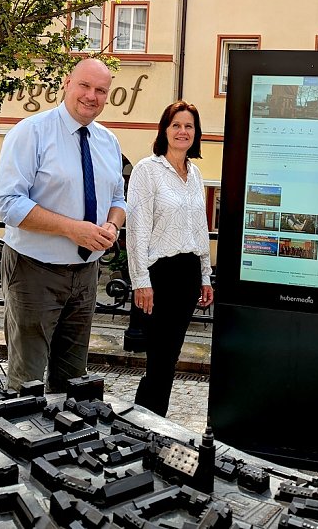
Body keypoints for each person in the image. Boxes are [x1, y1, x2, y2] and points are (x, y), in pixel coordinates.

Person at [0, 58, 126, 392]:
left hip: (86, 272)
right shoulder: (30, 132)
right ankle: (23, 441)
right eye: (85, 85)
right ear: (67, 83)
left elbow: (119, 200)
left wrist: (112, 225)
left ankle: (66, 443)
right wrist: (71, 228)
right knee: (28, 383)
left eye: (101, 90)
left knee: (73, 381)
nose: (92, 96)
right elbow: (5, 203)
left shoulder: (108, 141)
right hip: (34, 271)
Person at [126, 100, 214, 416]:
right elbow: (136, 229)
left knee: (169, 357)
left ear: (196, 133)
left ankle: (149, 422)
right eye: (176, 124)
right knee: (159, 358)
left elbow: (200, 227)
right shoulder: (147, 170)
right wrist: (140, 281)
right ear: (165, 129)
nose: (182, 131)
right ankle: (144, 424)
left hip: (188, 274)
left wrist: (205, 275)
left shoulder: (195, 173)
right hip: (159, 274)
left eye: (188, 126)